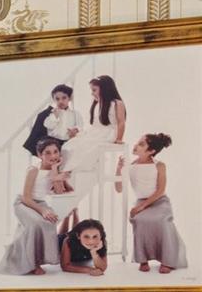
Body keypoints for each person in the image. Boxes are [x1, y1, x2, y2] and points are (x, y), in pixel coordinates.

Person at [63, 74, 127, 246]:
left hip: (108, 132)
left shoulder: (116, 103)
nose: (92, 93)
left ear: (104, 88)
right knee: (69, 146)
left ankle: (74, 169)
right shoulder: (97, 103)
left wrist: (119, 138)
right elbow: (94, 125)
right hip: (96, 131)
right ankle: (67, 173)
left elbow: (121, 122)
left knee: (88, 148)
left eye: (94, 90)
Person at [0, 138, 75, 276]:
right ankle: (32, 265)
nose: (53, 156)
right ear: (40, 155)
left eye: (55, 152)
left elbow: (59, 192)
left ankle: (36, 259)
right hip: (24, 203)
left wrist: (55, 172)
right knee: (36, 224)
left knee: (50, 222)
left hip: (40, 203)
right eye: (47, 153)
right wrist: (43, 210)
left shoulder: (56, 170)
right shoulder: (33, 170)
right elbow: (26, 197)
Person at [126, 133, 188, 274]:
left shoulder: (159, 165)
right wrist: (119, 170)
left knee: (160, 220)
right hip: (141, 201)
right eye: (137, 142)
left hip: (159, 201)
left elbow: (160, 190)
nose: (136, 145)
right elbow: (118, 188)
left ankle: (167, 260)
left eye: (141, 144)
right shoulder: (131, 166)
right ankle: (143, 259)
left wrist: (141, 207)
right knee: (140, 220)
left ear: (151, 151)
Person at [22, 83, 78, 157]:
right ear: (54, 100)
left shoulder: (74, 114)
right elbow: (48, 125)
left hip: (66, 141)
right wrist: (55, 117)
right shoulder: (51, 113)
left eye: (64, 98)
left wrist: (75, 131)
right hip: (53, 141)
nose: (60, 101)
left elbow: (79, 126)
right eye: (57, 99)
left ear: (69, 98)